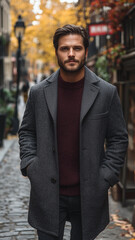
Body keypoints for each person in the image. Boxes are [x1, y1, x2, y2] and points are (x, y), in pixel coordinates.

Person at [18, 24, 128, 240]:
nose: (71, 54)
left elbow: (118, 138)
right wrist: (31, 165)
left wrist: (106, 176)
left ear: (86, 51)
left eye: (77, 48)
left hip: (89, 194)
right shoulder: (39, 93)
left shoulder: (106, 92)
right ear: (56, 51)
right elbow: (27, 132)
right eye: (64, 48)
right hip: (48, 193)